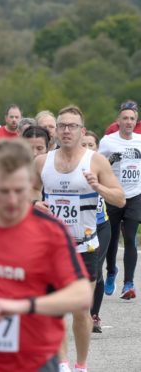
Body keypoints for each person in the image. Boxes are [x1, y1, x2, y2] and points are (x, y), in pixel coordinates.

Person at [0, 138, 92, 371]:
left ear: (31, 182)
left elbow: (81, 295)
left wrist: (22, 307)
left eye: (19, 190)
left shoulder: (50, 231)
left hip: (34, 362)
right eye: (3, 191)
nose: (12, 201)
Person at [33, 106, 125, 372]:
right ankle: (62, 364)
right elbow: (28, 192)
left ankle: (81, 365)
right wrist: (35, 204)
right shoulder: (42, 162)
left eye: (72, 126)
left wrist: (98, 187)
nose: (66, 130)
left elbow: (119, 198)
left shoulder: (95, 161)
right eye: (62, 125)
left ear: (81, 131)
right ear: (56, 131)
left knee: (81, 311)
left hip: (85, 246)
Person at [99, 103, 141, 300]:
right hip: (114, 193)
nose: (128, 122)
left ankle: (129, 283)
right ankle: (111, 272)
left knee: (131, 237)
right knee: (112, 238)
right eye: (125, 118)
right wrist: (110, 161)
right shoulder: (107, 142)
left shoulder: (140, 141)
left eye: (132, 119)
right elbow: (97, 166)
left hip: (135, 195)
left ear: (136, 121)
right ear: (118, 121)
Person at [80, 131, 111, 333]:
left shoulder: (101, 166)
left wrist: (99, 185)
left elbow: (117, 195)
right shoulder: (70, 167)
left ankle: (94, 315)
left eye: (92, 144)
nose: (89, 148)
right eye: (85, 144)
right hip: (80, 227)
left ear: (97, 148)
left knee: (97, 271)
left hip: (102, 224)